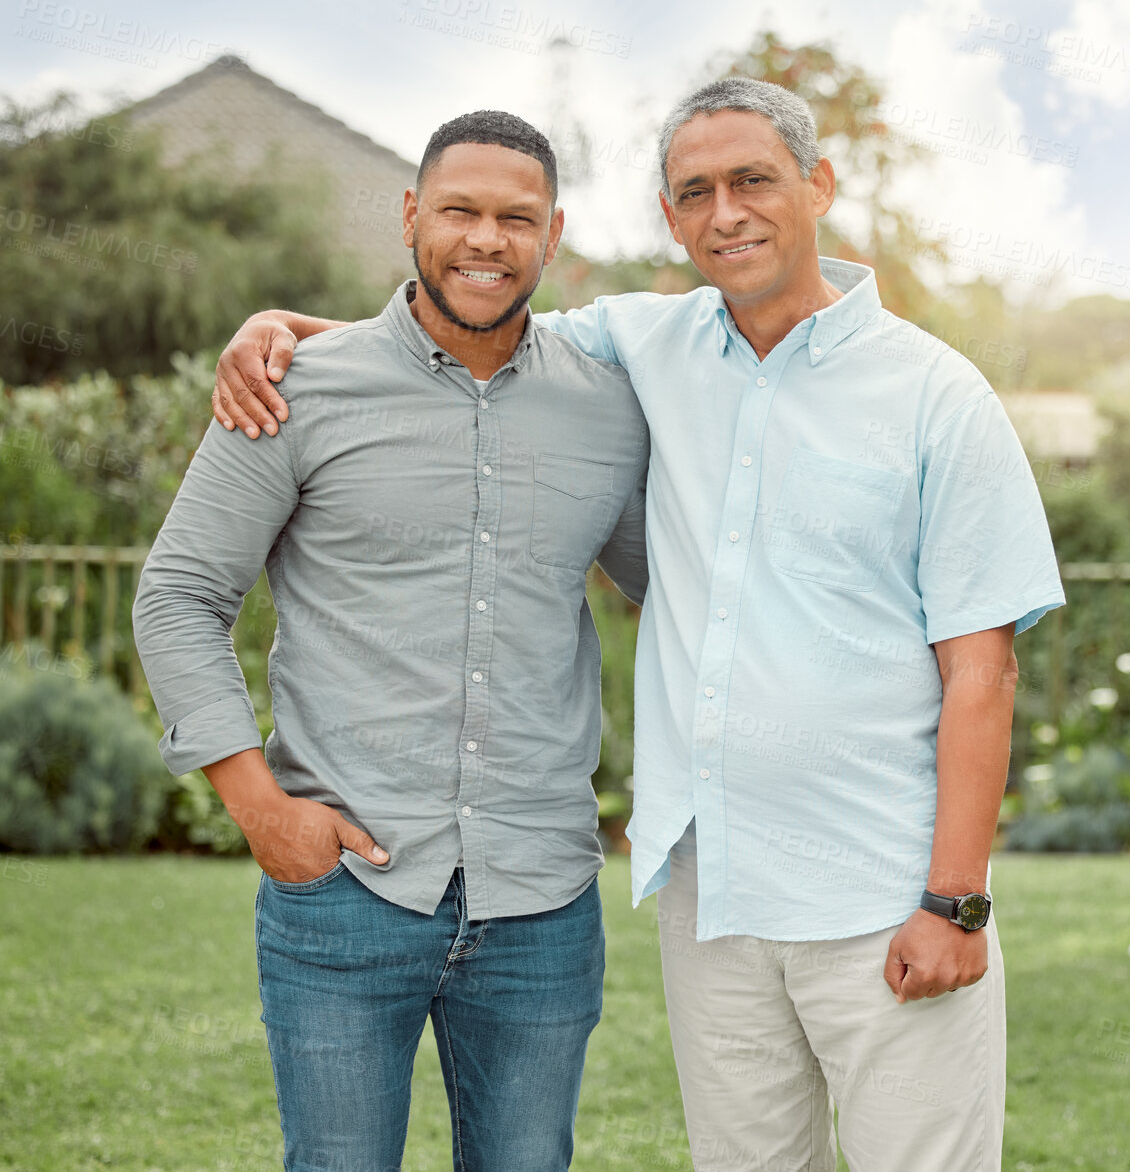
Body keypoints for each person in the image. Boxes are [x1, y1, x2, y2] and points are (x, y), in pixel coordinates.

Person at [207, 77, 1063, 1172]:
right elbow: (466, 324)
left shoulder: (938, 396)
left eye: (752, 180)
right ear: (669, 217)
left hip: (882, 893)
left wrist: (953, 899)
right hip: (713, 893)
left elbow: (982, 675)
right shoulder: (642, 343)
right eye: (694, 192)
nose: (726, 213)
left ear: (818, 184)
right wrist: (283, 332)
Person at [132, 112, 649, 1170]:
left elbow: (683, 594)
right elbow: (179, 594)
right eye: (458, 209)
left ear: (554, 234)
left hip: (542, 896)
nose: (485, 239)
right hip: (346, 894)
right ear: (411, 214)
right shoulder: (294, 388)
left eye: (516, 217)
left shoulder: (609, 408)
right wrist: (258, 807)